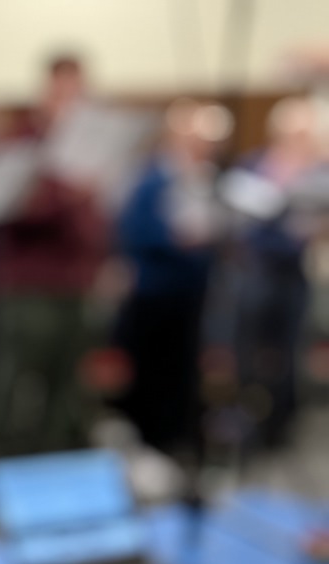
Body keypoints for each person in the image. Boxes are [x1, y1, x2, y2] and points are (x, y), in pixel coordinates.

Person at [0, 54, 109, 455]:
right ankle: (3, 470)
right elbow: (7, 207)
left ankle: (55, 473)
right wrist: (66, 192)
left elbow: (94, 220)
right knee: (16, 385)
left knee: (67, 388)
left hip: (75, 283)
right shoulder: (20, 141)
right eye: (62, 93)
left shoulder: (92, 148)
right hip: (28, 287)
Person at [114, 99, 230, 455]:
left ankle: (178, 437)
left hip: (191, 290)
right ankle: (149, 440)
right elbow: (132, 229)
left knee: (183, 370)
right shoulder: (151, 178)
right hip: (155, 290)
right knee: (152, 370)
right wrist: (174, 240)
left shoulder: (205, 179)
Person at [220, 97, 323, 448]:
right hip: (257, 269)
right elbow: (235, 208)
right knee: (246, 346)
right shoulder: (256, 164)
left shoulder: (319, 169)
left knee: (290, 350)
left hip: (293, 271)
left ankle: (283, 424)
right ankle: (246, 416)